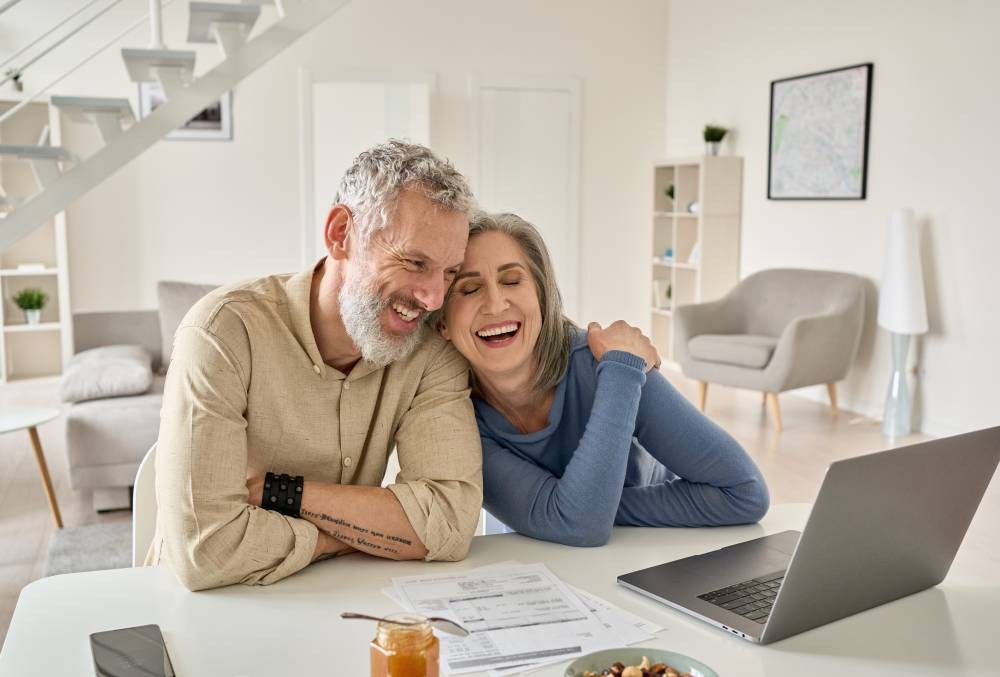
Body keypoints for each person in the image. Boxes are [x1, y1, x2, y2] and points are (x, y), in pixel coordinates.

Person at [150, 141, 484, 591]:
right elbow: (206, 550)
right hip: (203, 608)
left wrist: (278, 492)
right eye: (414, 262)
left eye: (448, 272)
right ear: (341, 233)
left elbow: (448, 523)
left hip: (334, 603)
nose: (433, 298)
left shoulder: (431, 352)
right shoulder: (223, 331)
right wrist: (363, 534)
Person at [437, 212, 769, 546]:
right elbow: (578, 523)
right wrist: (579, 509)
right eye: (469, 288)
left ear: (541, 297)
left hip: (651, 550)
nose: (495, 303)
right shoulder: (455, 419)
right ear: (442, 325)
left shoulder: (612, 365)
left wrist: (583, 507)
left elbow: (745, 492)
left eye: (512, 281)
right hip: (543, 563)